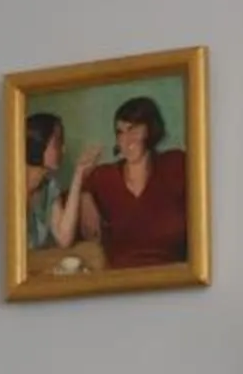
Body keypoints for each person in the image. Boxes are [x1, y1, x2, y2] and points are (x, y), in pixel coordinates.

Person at [65, 95, 191, 268]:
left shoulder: (174, 164)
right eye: (120, 132)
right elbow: (66, 204)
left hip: (174, 277)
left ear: (150, 130)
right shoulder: (104, 177)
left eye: (133, 129)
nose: (126, 140)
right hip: (121, 282)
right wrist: (85, 195)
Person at [21, 111, 78, 255]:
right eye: (58, 142)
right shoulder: (11, 185)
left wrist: (79, 175)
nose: (63, 149)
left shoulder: (50, 185)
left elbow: (64, 239)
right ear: (39, 144)